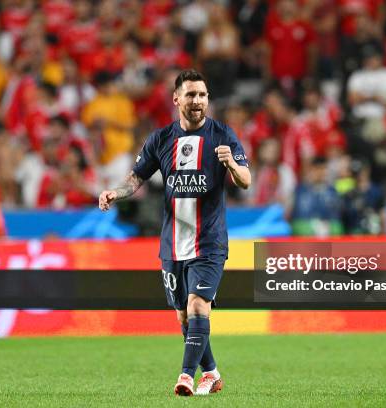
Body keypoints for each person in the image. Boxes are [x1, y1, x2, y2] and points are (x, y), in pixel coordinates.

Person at [98, 69, 251, 396]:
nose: (198, 101)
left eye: (203, 95)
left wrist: (233, 167)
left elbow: (246, 180)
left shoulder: (223, 135)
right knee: (184, 315)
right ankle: (210, 372)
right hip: (172, 243)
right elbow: (136, 178)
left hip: (209, 241)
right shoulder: (160, 139)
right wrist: (115, 192)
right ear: (177, 99)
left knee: (198, 306)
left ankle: (185, 376)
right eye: (191, 95)